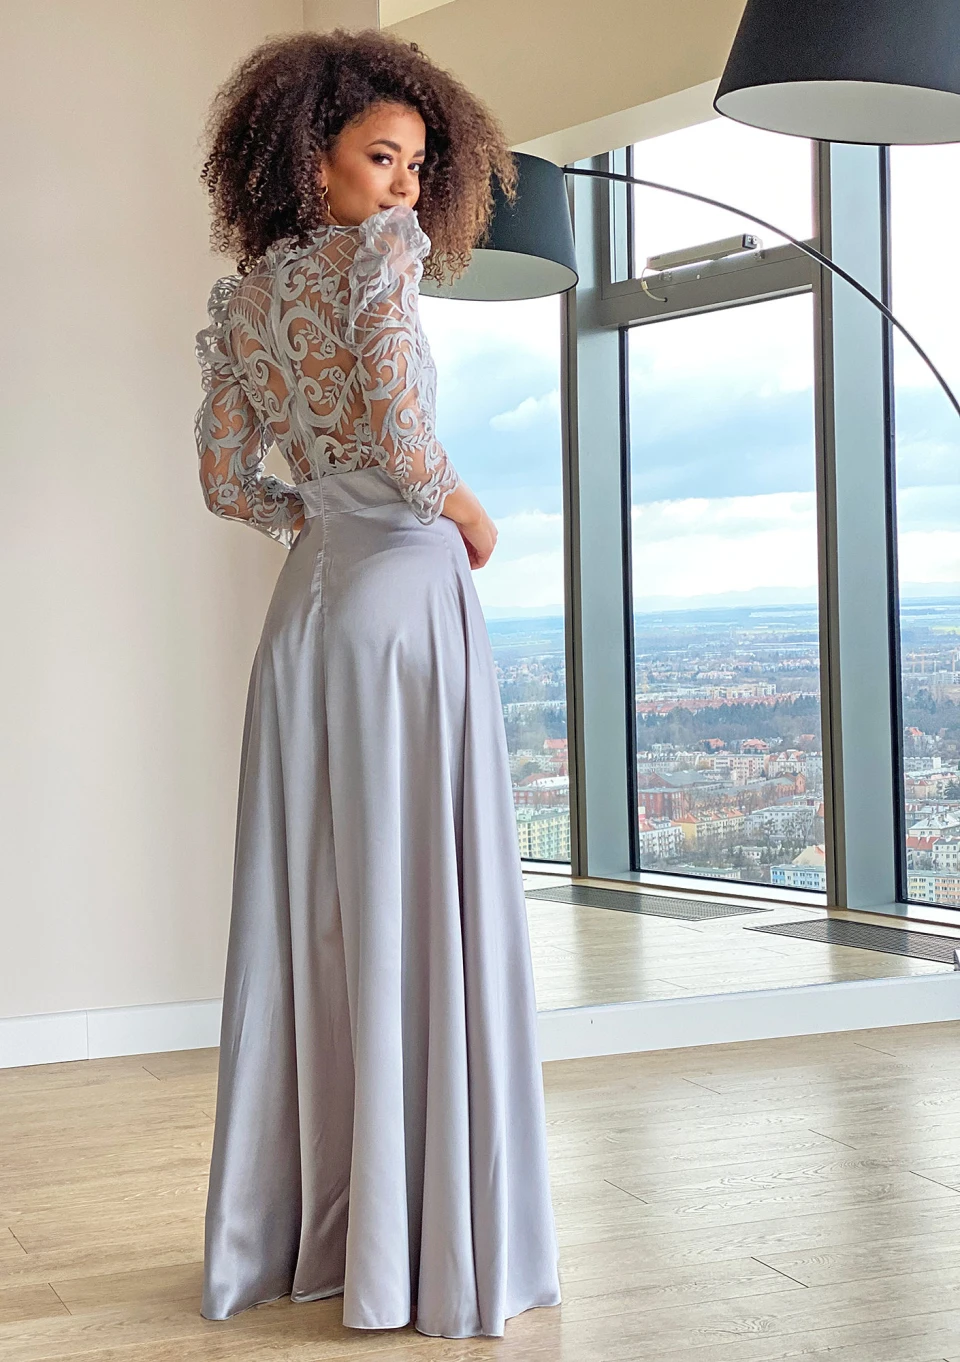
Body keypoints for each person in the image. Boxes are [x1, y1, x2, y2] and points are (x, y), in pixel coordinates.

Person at [192, 28, 562, 1340]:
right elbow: (407, 437)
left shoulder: (248, 302)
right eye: (383, 157)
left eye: (416, 166)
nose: (406, 187)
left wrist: (317, 518)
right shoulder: (381, 262)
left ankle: (320, 1234)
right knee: (417, 893)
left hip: (310, 606)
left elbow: (228, 482)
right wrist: (467, 511)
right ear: (316, 160)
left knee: (328, 904)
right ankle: (429, 1246)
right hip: (402, 591)